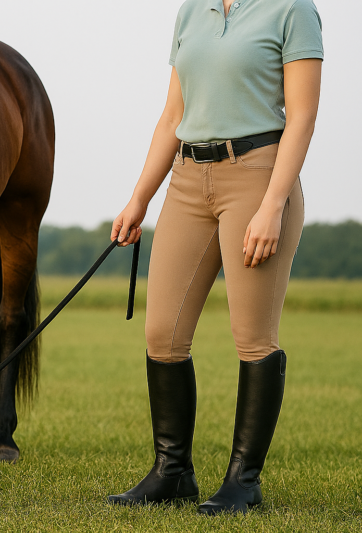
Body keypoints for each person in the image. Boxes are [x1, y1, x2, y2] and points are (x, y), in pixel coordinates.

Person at [105, 0, 323, 515]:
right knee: (163, 333)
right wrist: (139, 199)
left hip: (257, 173)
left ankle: (243, 483)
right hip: (186, 178)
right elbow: (173, 117)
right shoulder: (191, 11)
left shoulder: (292, 9)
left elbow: (303, 116)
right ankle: (172, 472)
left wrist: (273, 204)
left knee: (252, 338)